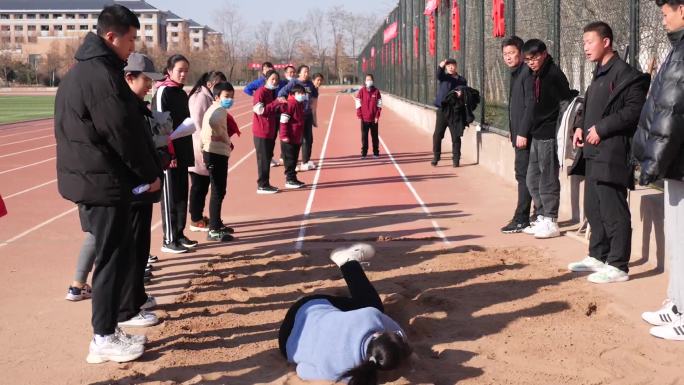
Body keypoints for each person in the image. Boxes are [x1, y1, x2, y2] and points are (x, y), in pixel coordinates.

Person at [54, 4, 161, 363]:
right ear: (111, 36)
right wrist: (149, 173)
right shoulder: (99, 76)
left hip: (95, 177)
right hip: (100, 181)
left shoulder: (88, 71)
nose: (132, 47)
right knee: (112, 256)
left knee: (114, 253)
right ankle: (103, 337)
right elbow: (121, 132)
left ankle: (108, 330)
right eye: (130, 40)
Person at [566, 22, 650, 284]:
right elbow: (589, 105)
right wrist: (580, 127)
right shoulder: (598, 73)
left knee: (614, 209)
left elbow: (633, 111)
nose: (585, 48)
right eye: (584, 43)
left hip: (612, 152)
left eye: (589, 42)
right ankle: (597, 255)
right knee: (594, 207)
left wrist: (601, 129)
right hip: (592, 152)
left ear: (606, 42)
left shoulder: (627, 75)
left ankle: (618, 264)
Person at [278, 244, 411, 384]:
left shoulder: (370, 316)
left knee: (372, 304)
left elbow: (397, 331)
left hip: (308, 308)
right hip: (285, 342)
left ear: (378, 334)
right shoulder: (342, 373)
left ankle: (347, 261)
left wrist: (402, 344)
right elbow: (301, 370)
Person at [634, 0, 684, 341]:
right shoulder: (678, 48)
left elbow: (671, 108)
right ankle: (678, 304)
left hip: (679, 160)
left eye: (666, 12)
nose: (663, 19)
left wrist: (653, 162)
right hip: (677, 164)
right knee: (678, 239)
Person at [117, 52, 170, 328]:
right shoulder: (122, 107)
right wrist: (149, 173)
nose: (151, 85)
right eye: (147, 80)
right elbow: (128, 150)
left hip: (145, 185)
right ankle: (128, 307)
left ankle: (137, 295)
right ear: (129, 77)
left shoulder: (137, 105)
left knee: (141, 246)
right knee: (132, 248)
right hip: (135, 188)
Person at [519, 39, 573, 239]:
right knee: (532, 178)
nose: (531, 62)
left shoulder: (553, 74)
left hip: (549, 135)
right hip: (537, 133)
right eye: (527, 60)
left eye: (534, 58)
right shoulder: (535, 75)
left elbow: (565, 101)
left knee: (548, 179)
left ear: (544, 53)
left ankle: (551, 219)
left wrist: (559, 129)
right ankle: (541, 215)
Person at [153, 54, 198, 254]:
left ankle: (179, 233)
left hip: (183, 149)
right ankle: (169, 239)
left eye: (186, 70)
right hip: (169, 154)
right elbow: (161, 125)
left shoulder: (181, 93)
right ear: (169, 71)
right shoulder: (164, 92)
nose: (183, 74)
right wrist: (168, 154)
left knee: (181, 194)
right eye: (180, 70)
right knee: (170, 196)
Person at [500, 36, 537, 234]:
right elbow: (516, 107)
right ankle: (532, 214)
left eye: (512, 53)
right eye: (505, 54)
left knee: (524, 175)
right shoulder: (516, 73)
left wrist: (522, 132)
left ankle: (522, 217)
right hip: (519, 134)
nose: (508, 57)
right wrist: (513, 130)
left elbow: (531, 104)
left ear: (521, 54)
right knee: (525, 174)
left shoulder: (526, 73)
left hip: (527, 135)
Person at [188, 70, 228, 233]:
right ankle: (195, 219)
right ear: (210, 84)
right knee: (199, 185)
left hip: (205, 146)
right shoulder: (200, 97)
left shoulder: (208, 96)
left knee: (203, 185)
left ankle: (199, 216)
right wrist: (208, 142)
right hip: (200, 147)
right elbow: (198, 124)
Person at [200, 81, 236, 242]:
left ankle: (217, 223)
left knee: (219, 190)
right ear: (217, 97)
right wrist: (222, 136)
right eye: (226, 96)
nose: (230, 99)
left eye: (231, 96)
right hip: (216, 153)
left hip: (214, 152)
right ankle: (213, 229)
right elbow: (214, 123)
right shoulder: (219, 110)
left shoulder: (213, 108)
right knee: (217, 191)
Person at [278, 65, 319, 171]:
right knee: (296, 140)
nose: (307, 74)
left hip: (307, 115)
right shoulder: (294, 83)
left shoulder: (310, 84)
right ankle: (292, 163)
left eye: (308, 72)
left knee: (308, 139)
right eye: (304, 72)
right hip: (296, 116)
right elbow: (281, 93)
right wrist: (288, 105)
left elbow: (314, 96)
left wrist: (314, 114)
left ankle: (305, 161)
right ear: (299, 73)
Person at [253, 70, 285, 194]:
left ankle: (266, 183)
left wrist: (281, 106)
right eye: (272, 79)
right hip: (262, 131)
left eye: (277, 79)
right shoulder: (260, 92)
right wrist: (276, 103)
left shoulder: (271, 92)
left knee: (267, 158)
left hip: (270, 131)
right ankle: (262, 185)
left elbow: (272, 108)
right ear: (266, 79)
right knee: (263, 160)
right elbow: (259, 110)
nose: (275, 81)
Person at [432, 58, 468, 167]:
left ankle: (456, 159)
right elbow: (438, 75)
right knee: (437, 135)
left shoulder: (462, 80)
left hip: (455, 112)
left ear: (456, 66)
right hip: (442, 111)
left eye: (453, 65)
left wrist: (461, 94)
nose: (451, 67)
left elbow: (465, 93)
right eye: (448, 66)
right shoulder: (444, 78)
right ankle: (436, 157)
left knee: (456, 136)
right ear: (446, 68)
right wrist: (441, 66)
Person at [279, 84, 307, 189]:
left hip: (296, 137)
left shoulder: (299, 104)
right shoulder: (290, 104)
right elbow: (283, 121)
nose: (302, 95)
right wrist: (284, 136)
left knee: (294, 159)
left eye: (303, 93)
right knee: (289, 160)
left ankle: (293, 178)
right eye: (299, 93)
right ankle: (289, 180)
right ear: (292, 94)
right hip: (288, 138)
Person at [355, 74, 383, 159]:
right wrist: (359, 115)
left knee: (374, 136)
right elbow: (358, 103)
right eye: (367, 79)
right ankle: (364, 153)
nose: (368, 81)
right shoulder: (361, 91)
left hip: (374, 119)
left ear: (373, 81)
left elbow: (379, 105)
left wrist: (377, 116)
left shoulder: (376, 92)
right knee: (364, 137)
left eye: (370, 79)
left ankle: (376, 152)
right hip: (364, 119)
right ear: (365, 81)